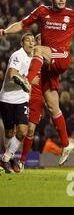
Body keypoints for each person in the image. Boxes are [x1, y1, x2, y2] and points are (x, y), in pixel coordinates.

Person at [0, 0, 74, 165]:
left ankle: (26, 80)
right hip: (48, 66)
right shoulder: (42, 11)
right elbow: (21, 24)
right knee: (53, 107)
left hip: (62, 57)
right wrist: (4, 31)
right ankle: (66, 144)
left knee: (38, 49)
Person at [0, 33, 34, 173]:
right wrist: (24, 83)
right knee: (9, 132)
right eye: (28, 40)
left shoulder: (33, 58)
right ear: (22, 43)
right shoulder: (17, 55)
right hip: (7, 98)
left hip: (21, 99)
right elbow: (12, 74)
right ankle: (10, 159)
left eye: (33, 41)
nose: (31, 43)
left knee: (22, 131)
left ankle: (5, 159)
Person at [19, 33, 44, 166]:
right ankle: (8, 155)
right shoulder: (25, 57)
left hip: (36, 98)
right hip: (21, 95)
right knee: (18, 130)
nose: (36, 43)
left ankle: (22, 161)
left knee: (30, 131)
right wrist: (27, 79)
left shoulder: (45, 60)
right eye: (37, 40)